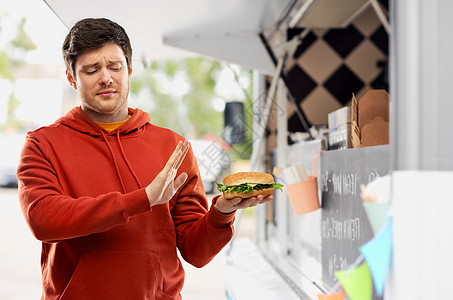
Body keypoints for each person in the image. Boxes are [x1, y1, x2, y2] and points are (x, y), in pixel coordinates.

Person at [16, 18, 273, 300]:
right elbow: (43, 220)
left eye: (115, 67)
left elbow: (196, 253)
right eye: (91, 70)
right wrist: (143, 199)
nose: (106, 77)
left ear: (130, 70)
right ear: (71, 77)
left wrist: (222, 212)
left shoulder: (174, 147)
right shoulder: (43, 143)